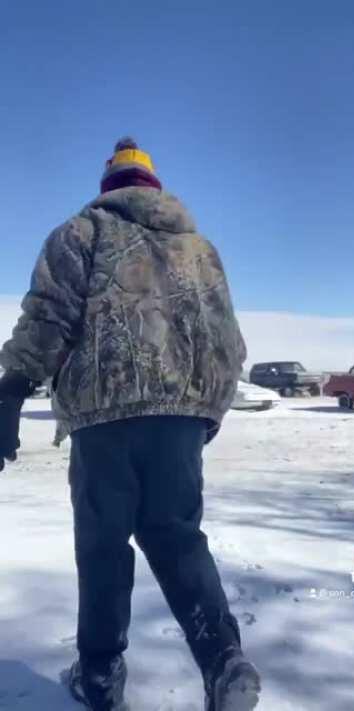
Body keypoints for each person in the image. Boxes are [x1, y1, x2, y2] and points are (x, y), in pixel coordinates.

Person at [0, 138, 261, 711]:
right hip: (180, 420)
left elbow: (49, 315)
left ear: (108, 186)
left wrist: (14, 386)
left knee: (103, 545)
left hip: (104, 419)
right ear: (153, 186)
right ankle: (223, 660)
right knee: (177, 536)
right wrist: (204, 415)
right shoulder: (201, 248)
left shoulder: (81, 233)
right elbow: (229, 343)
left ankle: (98, 674)